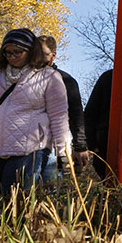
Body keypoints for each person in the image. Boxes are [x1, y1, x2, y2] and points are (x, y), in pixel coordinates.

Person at [0, 26, 72, 198]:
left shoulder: (49, 77)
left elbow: (59, 117)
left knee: (17, 204)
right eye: (8, 52)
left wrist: (63, 152)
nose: (12, 56)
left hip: (30, 150)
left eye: (18, 52)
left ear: (31, 51)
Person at [36, 31, 85, 174]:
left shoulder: (66, 81)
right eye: (35, 53)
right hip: (27, 145)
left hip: (55, 145)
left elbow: (76, 114)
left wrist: (80, 146)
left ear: (53, 55)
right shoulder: (20, 81)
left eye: (43, 54)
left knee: (49, 187)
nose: (38, 58)